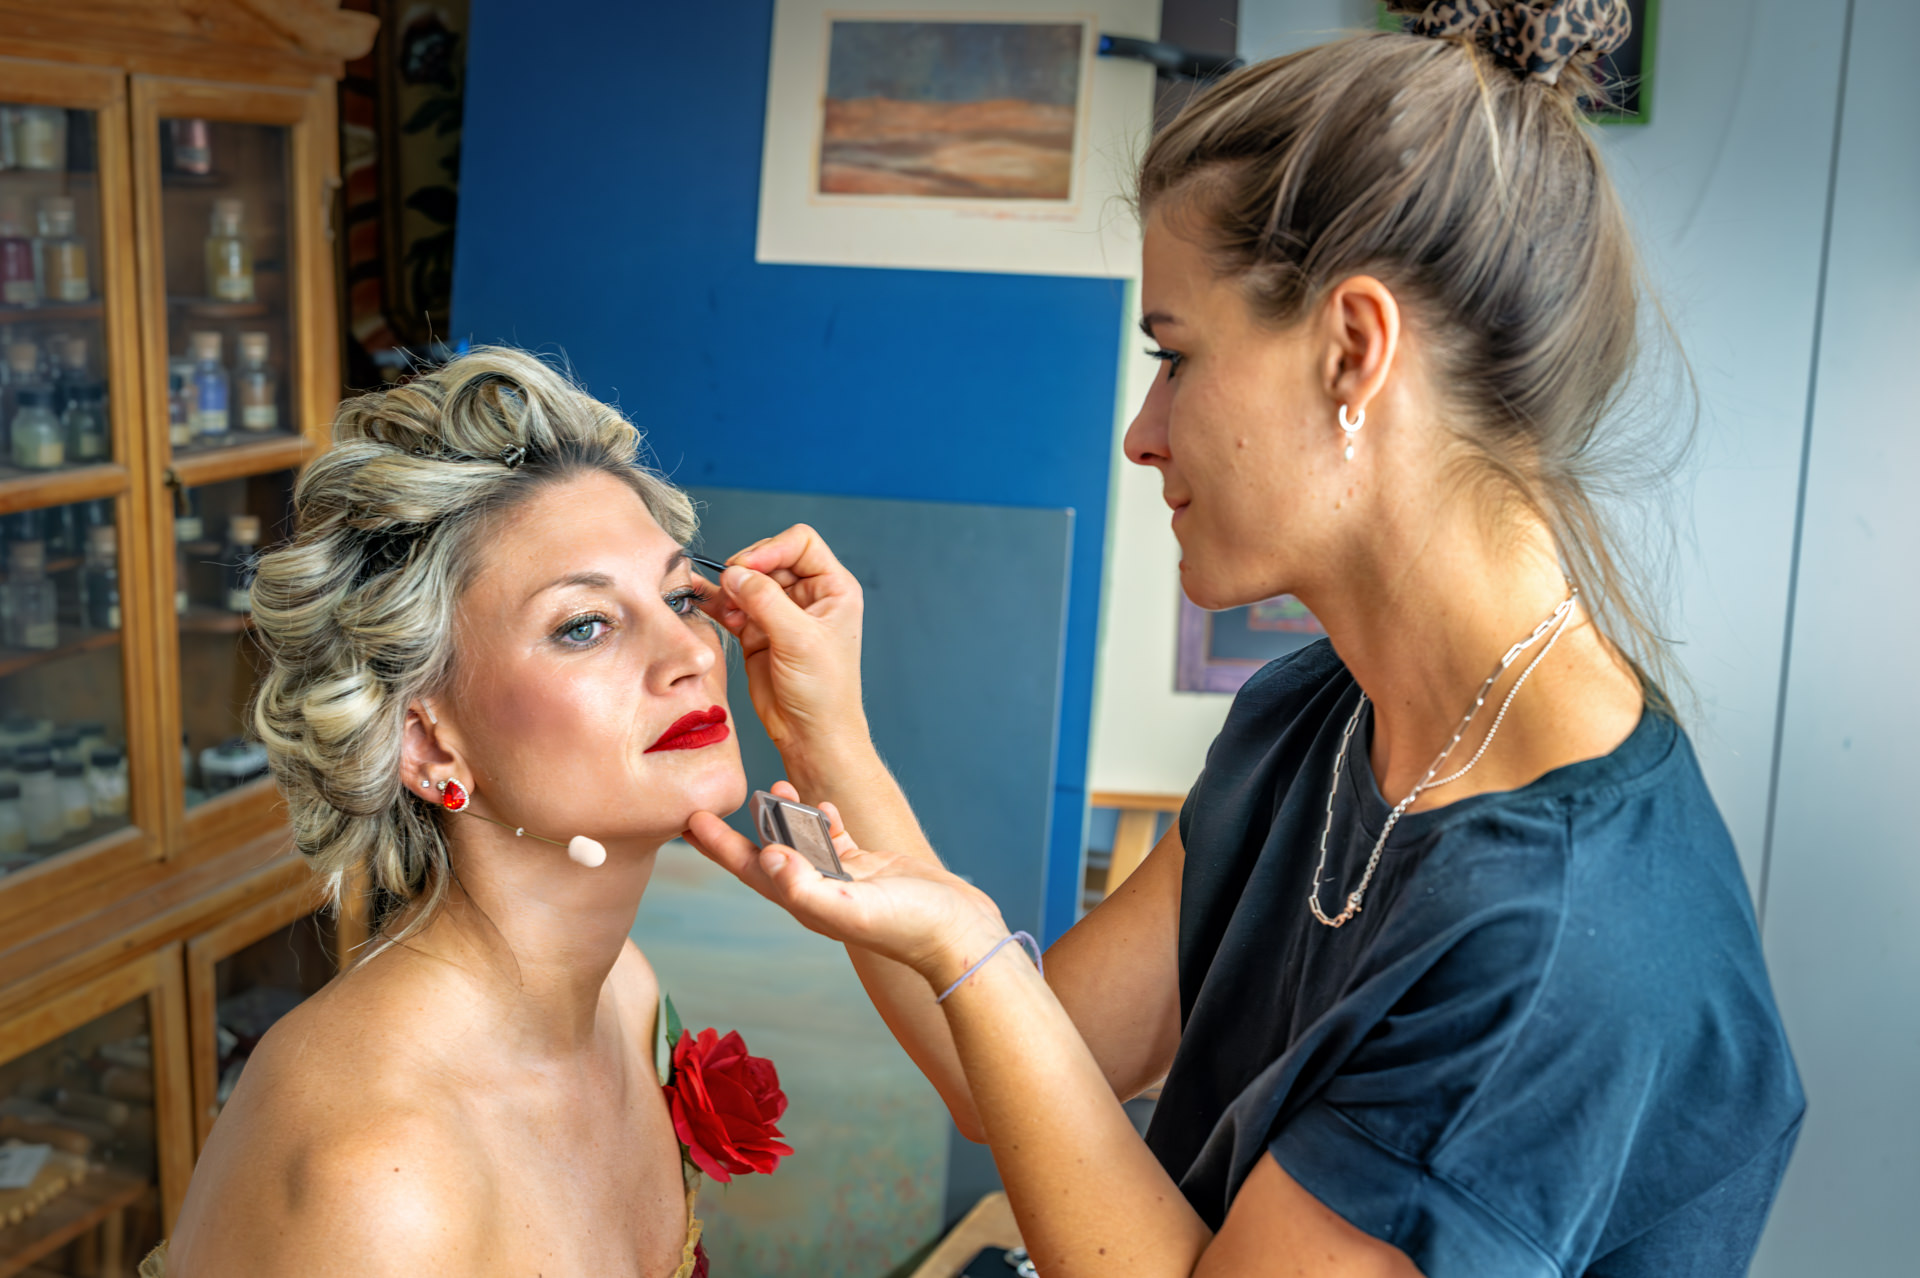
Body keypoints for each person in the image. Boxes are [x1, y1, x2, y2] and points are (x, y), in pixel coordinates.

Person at [684, 4, 1804, 1275]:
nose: (1142, 434)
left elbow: (994, 1016)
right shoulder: (1321, 716)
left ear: (1354, 351)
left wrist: (963, 947)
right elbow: (999, 1065)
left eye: (1176, 358)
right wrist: (828, 738)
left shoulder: (1558, 944)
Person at [156, 349, 742, 1277]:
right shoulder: (384, 1182)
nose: (692, 653)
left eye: (679, 597)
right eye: (583, 625)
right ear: (428, 745)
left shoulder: (623, 995)